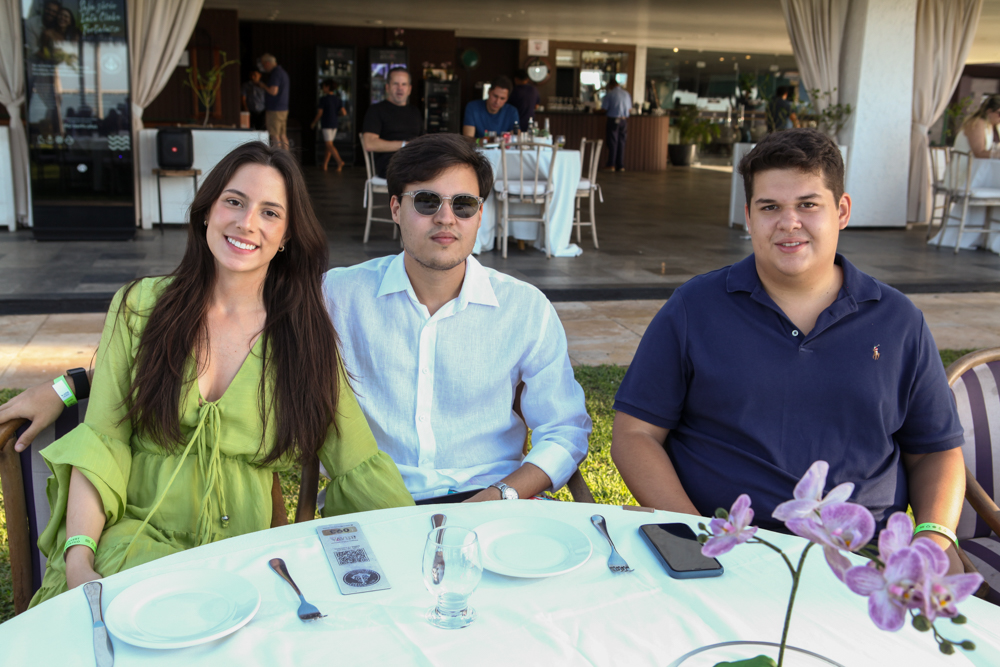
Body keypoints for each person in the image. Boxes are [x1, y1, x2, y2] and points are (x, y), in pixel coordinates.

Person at [2, 142, 412, 606]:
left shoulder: (303, 335)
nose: (247, 222)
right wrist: (79, 560)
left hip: (242, 562)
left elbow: (355, 459)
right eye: (234, 201)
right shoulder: (140, 306)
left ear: (287, 237)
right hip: (134, 545)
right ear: (206, 212)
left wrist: (417, 547)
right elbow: (104, 439)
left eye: (270, 213)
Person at [610, 128, 966, 574]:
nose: (788, 222)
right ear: (749, 217)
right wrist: (699, 534)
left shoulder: (897, 320)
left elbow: (935, 449)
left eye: (808, 205)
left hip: (864, 562)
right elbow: (634, 435)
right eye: (770, 207)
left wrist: (933, 537)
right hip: (724, 552)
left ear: (842, 211)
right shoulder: (694, 308)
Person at [326, 133, 592, 503]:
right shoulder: (338, 296)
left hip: (493, 502)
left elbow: (565, 428)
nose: (446, 217)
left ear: (480, 215)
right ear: (395, 209)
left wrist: (501, 495)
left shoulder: (524, 308)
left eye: (463, 204)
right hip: (376, 506)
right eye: (426, 201)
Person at [362, 67, 423, 178]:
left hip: (415, 159)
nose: (400, 88)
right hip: (391, 163)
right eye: (396, 84)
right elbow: (369, 143)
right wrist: (405, 145)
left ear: (409, 89)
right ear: (387, 87)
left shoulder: (415, 111)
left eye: (404, 84)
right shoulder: (376, 110)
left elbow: (423, 138)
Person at [311, 79, 347, 172]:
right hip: (334, 124)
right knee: (329, 145)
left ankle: (339, 161)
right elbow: (344, 112)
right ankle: (324, 165)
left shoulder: (324, 99)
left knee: (329, 144)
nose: (323, 89)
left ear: (327, 87)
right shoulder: (337, 99)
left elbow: (320, 113)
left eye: (323, 87)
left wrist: (314, 122)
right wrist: (337, 115)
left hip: (326, 124)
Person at [256, 54, 290, 150]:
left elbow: (273, 91)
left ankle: (278, 162)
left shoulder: (276, 73)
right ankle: (287, 161)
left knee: (275, 136)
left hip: (274, 109)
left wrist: (263, 86)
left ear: (267, 63)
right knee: (283, 135)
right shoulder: (283, 73)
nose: (263, 68)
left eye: (263, 65)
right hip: (284, 108)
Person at [600, 79, 632, 172]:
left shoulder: (610, 94)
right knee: (622, 142)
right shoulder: (626, 94)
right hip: (624, 121)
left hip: (613, 120)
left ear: (611, 86)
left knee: (613, 142)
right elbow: (629, 109)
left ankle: (611, 165)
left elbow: (604, 109)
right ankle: (621, 165)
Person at [954, 94, 1000, 158]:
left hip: (980, 165)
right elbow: (979, 153)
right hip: (967, 165)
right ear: (989, 111)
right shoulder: (977, 123)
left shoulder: (994, 126)